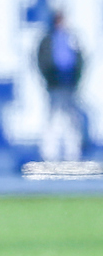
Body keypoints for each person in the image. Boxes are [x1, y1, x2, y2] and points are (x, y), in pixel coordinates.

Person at [37, 10, 84, 163]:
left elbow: (80, 60)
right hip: (54, 86)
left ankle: (72, 155)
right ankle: (50, 155)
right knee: (53, 119)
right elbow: (42, 61)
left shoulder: (71, 38)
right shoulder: (48, 39)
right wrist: (50, 78)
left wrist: (76, 80)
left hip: (69, 86)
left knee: (71, 120)